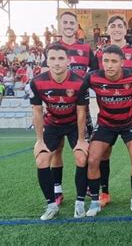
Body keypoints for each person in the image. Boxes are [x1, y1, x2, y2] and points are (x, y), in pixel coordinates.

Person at [82, 45, 132, 216]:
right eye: (106, 61)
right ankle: (97, 200)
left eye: (113, 61)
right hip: (105, 124)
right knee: (94, 159)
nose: (109, 65)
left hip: (130, 123)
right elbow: (75, 85)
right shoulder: (93, 77)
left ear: (122, 62)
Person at [29, 43, 89, 220]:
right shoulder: (37, 82)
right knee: (41, 159)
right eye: (52, 58)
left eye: (61, 58)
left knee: (81, 156)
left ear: (69, 60)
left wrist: (80, 139)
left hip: (73, 124)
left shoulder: (79, 82)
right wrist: (39, 141)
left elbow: (81, 112)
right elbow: (37, 112)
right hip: (53, 124)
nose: (56, 63)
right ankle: (51, 205)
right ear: (47, 60)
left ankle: (79, 203)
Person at [44, 11, 97, 206]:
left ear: (77, 26)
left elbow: (95, 72)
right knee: (56, 149)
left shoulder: (85, 48)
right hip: (57, 109)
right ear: (59, 26)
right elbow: (43, 76)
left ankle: (88, 187)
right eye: (64, 22)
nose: (68, 25)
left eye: (71, 22)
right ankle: (57, 189)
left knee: (85, 147)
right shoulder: (52, 49)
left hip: (81, 106)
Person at [91, 15, 132, 208]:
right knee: (103, 154)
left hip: (131, 114)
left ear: (126, 28)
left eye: (120, 26)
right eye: (113, 26)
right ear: (108, 29)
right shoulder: (98, 54)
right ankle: (104, 193)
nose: (117, 29)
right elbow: (96, 79)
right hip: (107, 115)